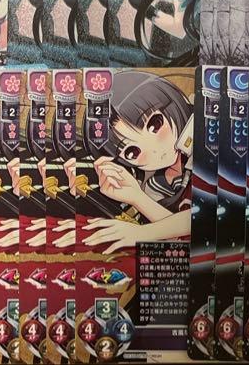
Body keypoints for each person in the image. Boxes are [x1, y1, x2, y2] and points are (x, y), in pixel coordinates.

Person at [82, 70, 193, 254]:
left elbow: (202, 222)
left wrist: (143, 232)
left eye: (155, 125)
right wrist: (136, 196)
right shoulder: (156, 184)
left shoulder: (205, 140)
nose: (154, 150)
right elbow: (181, 231)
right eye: (132, 152)